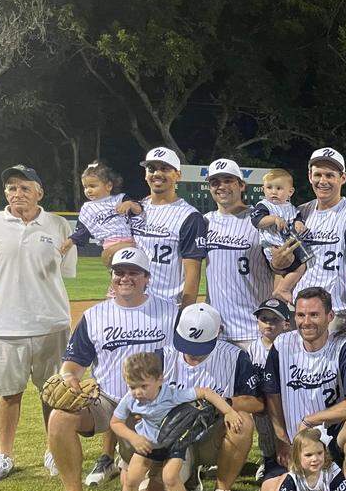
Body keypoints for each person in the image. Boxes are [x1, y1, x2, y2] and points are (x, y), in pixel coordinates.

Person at [40, 247, 178, 491]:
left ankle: (172, 477)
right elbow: (73, 364)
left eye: (133, 272)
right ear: (112, 277)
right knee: (59, 418)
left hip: (153, 405)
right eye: (119, 272)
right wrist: (69, 378)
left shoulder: (168, 311)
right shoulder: (95, 315)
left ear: (146, 278)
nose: (125, 278)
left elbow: (184, 361)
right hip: (108, 400)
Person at [0, 165, 77, 481]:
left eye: (24, 187)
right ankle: (5, 455)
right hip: (4, 325)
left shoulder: (59, 225)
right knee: (8, 394)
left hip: (51, 323)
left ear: (40, 192)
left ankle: (52, 450)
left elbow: (64, 274)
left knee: (52, 393)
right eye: (11, 187)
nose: (16, 193)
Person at [138, 303, 262, 491]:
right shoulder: (162, 358)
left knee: (242, 421)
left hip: (210, 440)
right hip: (173, 443)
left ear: (218, 334)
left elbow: (257, 402)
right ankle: (186, 480)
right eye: (188, 345)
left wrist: (223, 404)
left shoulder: (235, 357)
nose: (193, 354)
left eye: (201, 347)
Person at [107, 351, 244, 491]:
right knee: (131, 478)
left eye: (143, 386)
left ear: (160, 380)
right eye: (132, 387)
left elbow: (205, 392)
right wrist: (134, 437)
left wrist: (228, 411)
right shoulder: (130, 400)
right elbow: (115, 423)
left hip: (174, 443)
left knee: (170, 477)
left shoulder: (171, 395)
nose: (137, 392)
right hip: (146, 444)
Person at [262, 287, 346, 491]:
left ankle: (342, 479)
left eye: (314, 315)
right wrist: (281, 437)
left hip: (330, 442)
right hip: (296, 445)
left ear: (330, 317)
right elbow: (271, 395)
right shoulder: (282, 346)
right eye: (301, 315)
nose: (306, 322)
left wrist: (312, 419)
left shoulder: (344, 346)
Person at [273, 147, 346, 337]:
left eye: (330, 175)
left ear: (342, 178)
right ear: (310, 176)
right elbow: (284, 264)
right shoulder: (300, 213)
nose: (323, 181)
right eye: (317, 174)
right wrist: (277, 263)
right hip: (300, 311)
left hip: (335, 313)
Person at [117, 146, 207, 308]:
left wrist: (185, 311)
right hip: (132, 301)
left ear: (178, 175)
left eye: (165, 168)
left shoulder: (189, 216)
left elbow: (193, 273)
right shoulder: (136, 210)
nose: (157, 173)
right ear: (146, 175)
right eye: (151, 169)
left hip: (167, 305)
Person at [202, 159, 275, 351]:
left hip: (255, 330)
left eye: (228, 180)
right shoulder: (204, 222)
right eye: (215, 182)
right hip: (218, 331)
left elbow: (280, 266)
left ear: (242, 185)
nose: (221, 186)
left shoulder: (259, 221)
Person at [58, 160, 137, 265]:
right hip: (110, 245)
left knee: (131, 273)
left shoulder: (120, 199)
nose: (88, 190)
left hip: (131, 240)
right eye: (85, 187)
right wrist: (71, 241)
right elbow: (83, 230)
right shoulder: (88, 208)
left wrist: (130, 204)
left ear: (108, 186)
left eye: (92, 186)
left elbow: (139, 211)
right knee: (119, 273)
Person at [248, 297, 293, 482]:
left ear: (286, 324)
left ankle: (289, 460)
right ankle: (268, 461)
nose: (269, 324)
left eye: (275, 320)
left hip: (286, 401)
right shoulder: (253, 347)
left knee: (286, 431)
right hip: (263, 402)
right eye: (264, 319)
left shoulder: (290, 346)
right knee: (265, 432)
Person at [250, 167, 310, 302]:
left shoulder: (290, 207)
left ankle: (281, 291)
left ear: (290, 192)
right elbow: (257, 221)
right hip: (272, 246)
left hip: (288, 246)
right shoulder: (264, 205)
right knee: (300, 266)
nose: (273, 192)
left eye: (279, 188)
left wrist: (299, 223)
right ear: (263, 189)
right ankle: (283, 289)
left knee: (299, 265)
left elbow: (297, 219)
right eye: (269, 187)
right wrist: (273, 219)